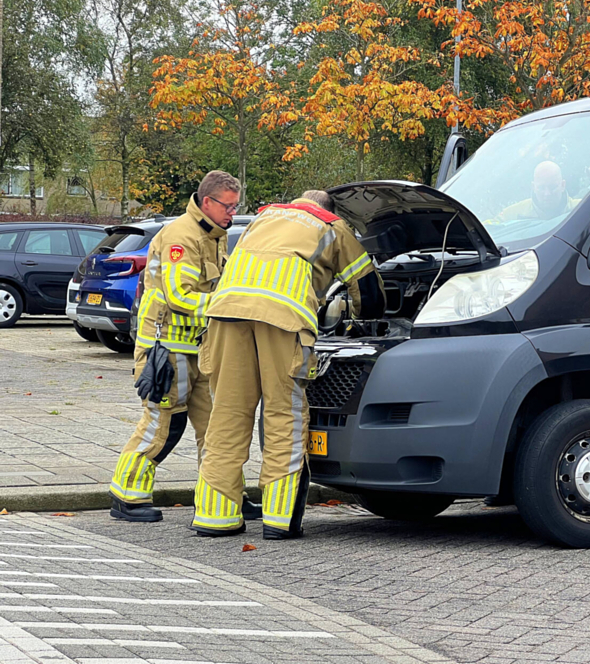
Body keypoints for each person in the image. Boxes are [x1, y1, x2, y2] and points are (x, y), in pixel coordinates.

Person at [190, 190, 385, 539]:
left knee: (227, 413)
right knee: (284, 415)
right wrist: (361, 318)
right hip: (283, 321)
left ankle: (215, 516)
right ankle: (279, 520)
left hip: (224, 315)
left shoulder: (263, 218)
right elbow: (367, 291)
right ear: (327, 209)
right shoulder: (331, 225)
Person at [109, 170, 261, 523]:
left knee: (217, 427)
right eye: (228, 206)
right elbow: (180, 296)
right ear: (207, 202)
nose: (233, 214)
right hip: (167, 348)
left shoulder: (214, 234)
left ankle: (225, 496)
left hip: (198, 347)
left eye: (236, 207)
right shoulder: (182, 236)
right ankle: (127, 495)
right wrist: (229, 306)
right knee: (163, 423)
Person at [492, 160, 580, 223]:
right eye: (541, 188)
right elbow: (488, 229)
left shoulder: (581, 209)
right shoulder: (515, 213)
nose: (547, 193)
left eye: (553, 187)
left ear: (563, 185)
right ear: (533, 187)